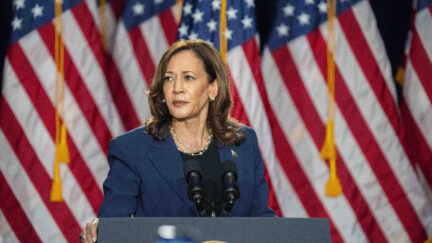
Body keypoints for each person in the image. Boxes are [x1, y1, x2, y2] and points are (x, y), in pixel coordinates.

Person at [80, 39, 275, 242]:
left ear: (213, 88)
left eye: (188, 78)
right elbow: (113, 225)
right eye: (169, 79)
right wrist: (98, 231)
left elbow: (261, 219)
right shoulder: (132, 149)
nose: (177, 88)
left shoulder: (243, 142)